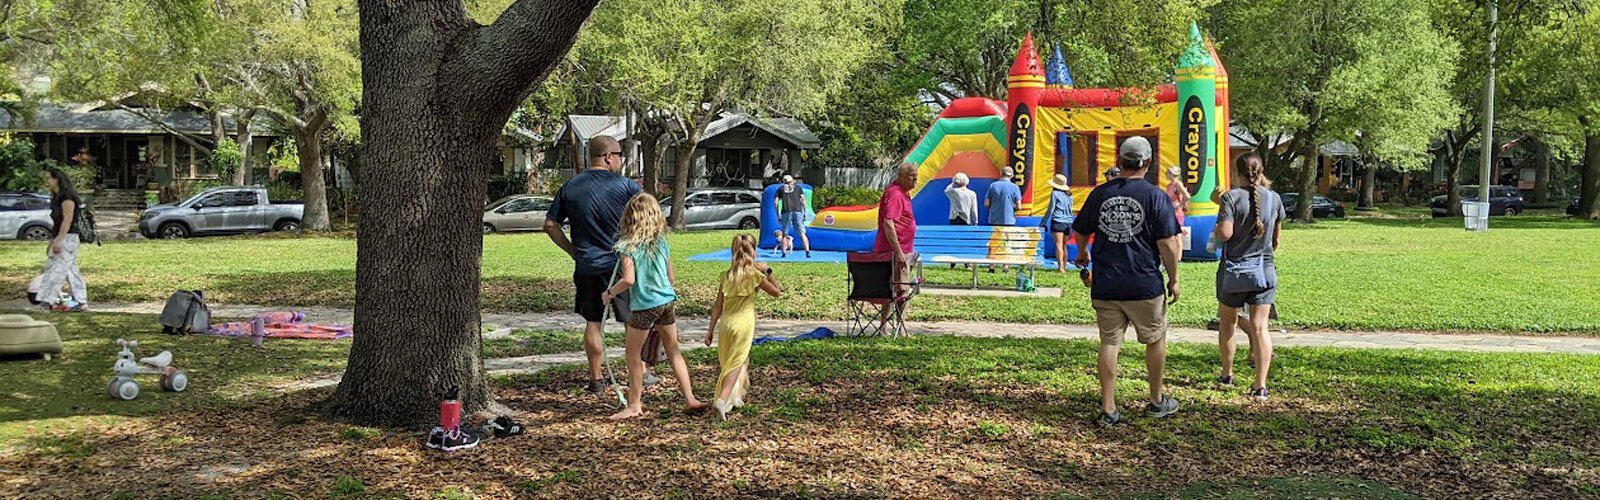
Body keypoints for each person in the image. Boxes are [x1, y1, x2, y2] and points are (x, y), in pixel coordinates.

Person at [1071, 136, 1183, 426]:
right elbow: (1169, 243)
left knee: (1110, 342)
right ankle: (1157, 400)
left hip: (1107, 282)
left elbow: (1080, 229)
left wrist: (1083, 253)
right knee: (1155, 339)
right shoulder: (1157, 196)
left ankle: (1108, 407)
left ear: (1119, 161)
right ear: (1147, 163)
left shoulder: (1100, 194)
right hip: (1144, 283)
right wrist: (1174, 279)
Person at [545, 136, 657, 394]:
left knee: (593, 321)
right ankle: (639, 371)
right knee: (633, 320)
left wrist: (573, 251)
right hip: (620, 265)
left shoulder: (570, 186)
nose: (620, 160)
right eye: (619, 155)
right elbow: (646, 219)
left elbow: (550, 225)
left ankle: (596, 379)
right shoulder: (626, 187)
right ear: (608, 157)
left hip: (586, 265)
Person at [602, 193, 707, 420]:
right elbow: (670, 278)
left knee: (633, 355)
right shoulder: (661, 242)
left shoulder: (627, 246)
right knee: (673, 350)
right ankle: (690, 398)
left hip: (645, 307)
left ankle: (634, 404)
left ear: (631, 217)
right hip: (666, 302)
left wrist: (610, 293)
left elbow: (629, 280)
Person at [1213, 152, 1285, 401]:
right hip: (1264, 271)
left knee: (1228, 323)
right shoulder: (1274, 199)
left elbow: (1224, 233)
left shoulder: (1230, 198)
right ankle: (1260, 385)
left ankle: (1227, 374)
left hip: (1234, 270)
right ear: (1261, 170)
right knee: (1260, 327)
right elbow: (1275, 240)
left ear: (1237, 172)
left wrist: (1219, 213)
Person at [703, 234, 783, 420]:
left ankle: (737, 396)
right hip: (744, 325)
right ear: (752, 252)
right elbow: (777, 292)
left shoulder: (726, 276)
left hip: (727, 324)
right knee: (736, 363)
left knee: (741, 360)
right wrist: (769, 272)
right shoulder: (755, 276)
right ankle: (722, 401)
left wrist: (710, 330)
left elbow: (717, 306)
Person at [36, 168, 87, 312]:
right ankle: (81, 300)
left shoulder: (67, 197)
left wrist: (59, 240)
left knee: (57, 270)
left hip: (68, 237)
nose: (47, 182)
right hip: (60, 236)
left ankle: (48, 300)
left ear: (56, 179)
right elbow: (57, 223)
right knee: (71, 271)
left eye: (49, 179)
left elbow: (67, 220)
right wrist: (52, 241)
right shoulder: (56, 197)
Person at [876, 162, 919, 295]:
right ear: (901, 176)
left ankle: (889, 317)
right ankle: (900, 317)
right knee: (901, 289)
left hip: (903, 249)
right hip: (894, 252)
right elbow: (888, 223)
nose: (915, 180)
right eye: (911, 176)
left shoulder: (903, 193)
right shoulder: (896, 194)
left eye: (916, 176)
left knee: (895, 290)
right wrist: (899, 252)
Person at [1043, 174, 1074, 272]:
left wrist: (1043, 222)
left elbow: (1051, 209)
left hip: (1058, 221)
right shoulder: (1069, 195)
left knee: (1058, 245)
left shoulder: (1055, 193)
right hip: (1069, 222)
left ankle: (1060, 267)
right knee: (1064, 245)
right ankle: (1064, 266)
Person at [777, 175, 811, 258]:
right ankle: (807, 252)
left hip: (786, 211)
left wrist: (778, 215)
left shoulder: (780, 189)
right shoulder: (798, 188)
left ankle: (784, 253)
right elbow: (803, 200)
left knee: (784, 234)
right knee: (802, 233)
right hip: (797, 211)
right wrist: (805, 212)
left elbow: (775, 202)